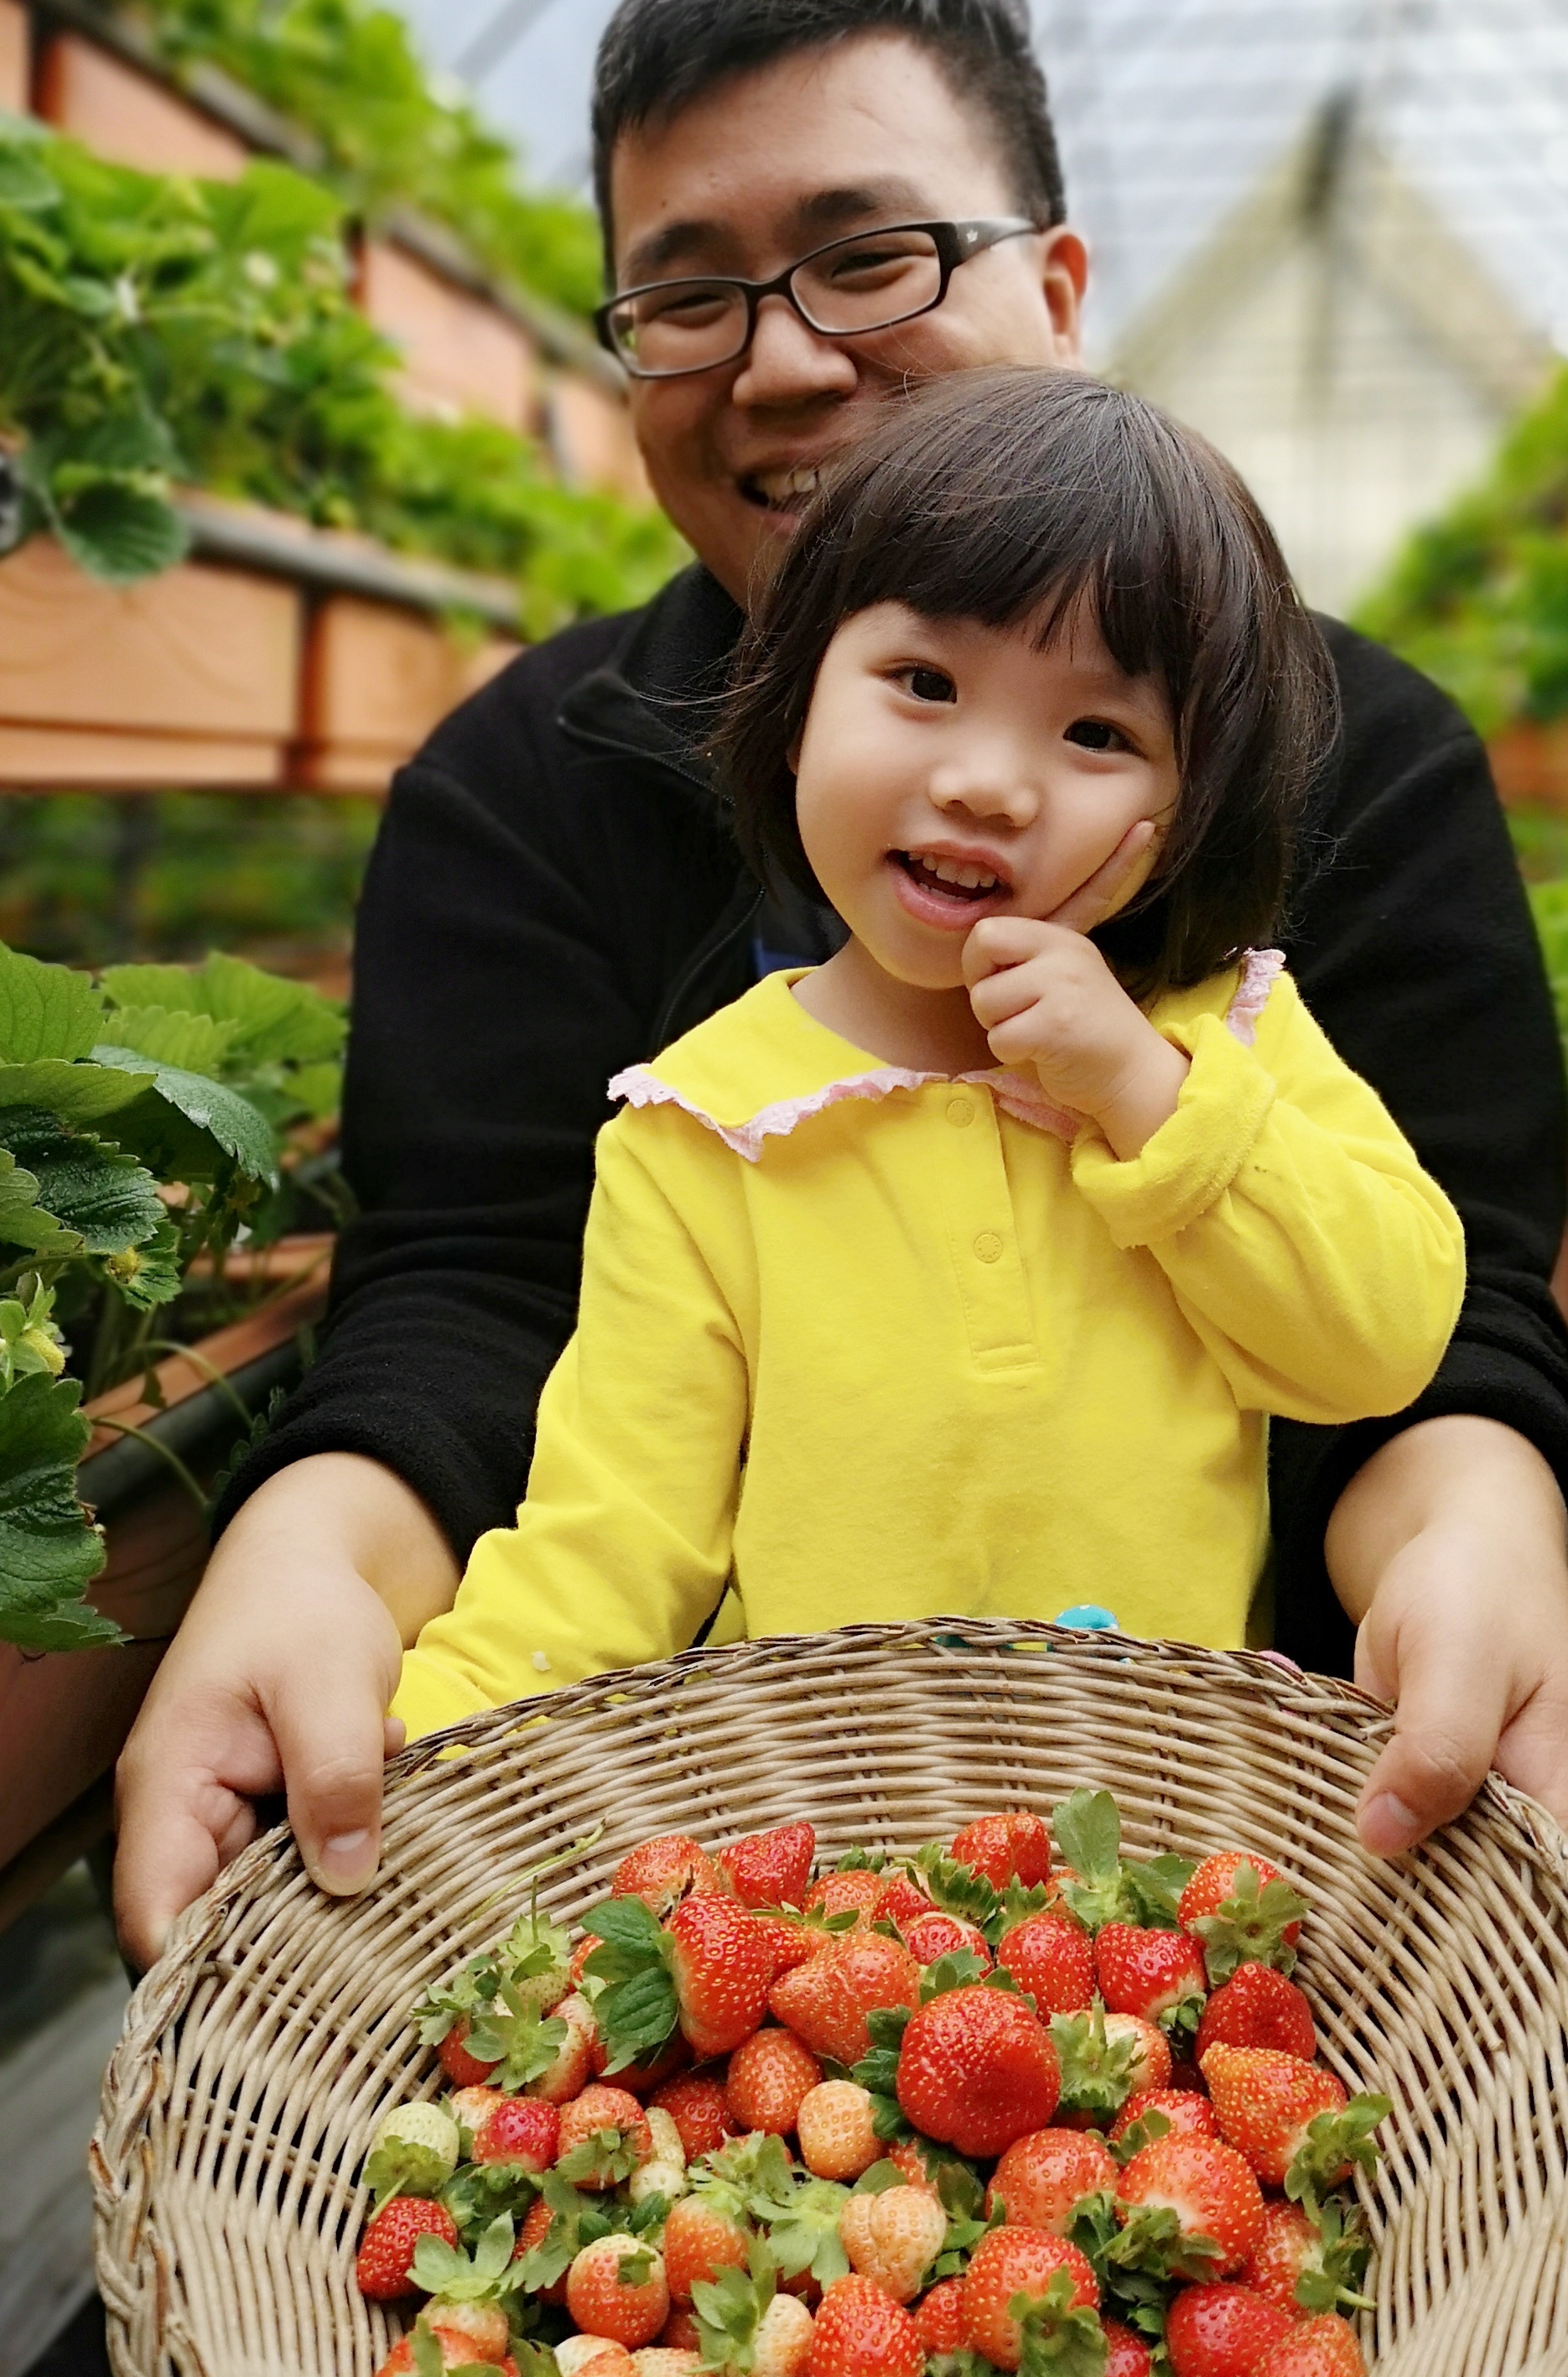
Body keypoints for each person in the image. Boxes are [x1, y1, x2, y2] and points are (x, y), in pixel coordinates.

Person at [113, 0, 1568, 1974]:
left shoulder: (1359, 756)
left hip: (1256, 1725)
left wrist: (1477, 1520)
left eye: (869, 256)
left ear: (1054, 284)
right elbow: (473, 1286)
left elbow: (1450, 1295)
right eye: (684, 298)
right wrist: (315, 1555)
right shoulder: (522, 785)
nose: (782, 358)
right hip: (727, 1776)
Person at [392, 367, 1466, 1731]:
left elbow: (1378, 1341)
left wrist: (1142, 1091)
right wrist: (441, 1728)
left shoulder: (1220, 1041)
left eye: (1097, 733)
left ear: (1193, 807)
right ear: (795, 705)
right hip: (822, 1866)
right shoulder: (710, 1120)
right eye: (923, 681)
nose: (988, 781)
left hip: (1161, 1839)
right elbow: (616, 1536)